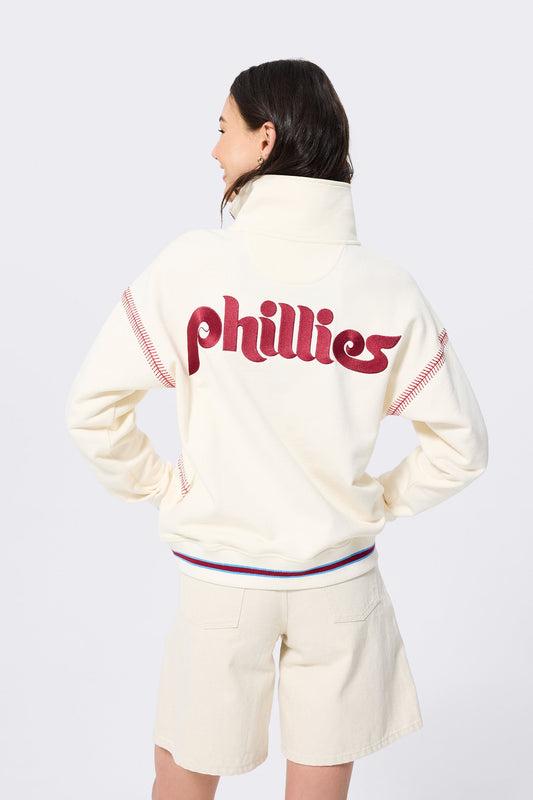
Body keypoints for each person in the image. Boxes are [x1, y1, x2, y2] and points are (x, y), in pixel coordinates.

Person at [65, 59, 488, 800]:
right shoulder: (388, 288)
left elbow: (93, 408)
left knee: (180, 779)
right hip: (340, 583)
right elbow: (463, 447)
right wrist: (372, 501)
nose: (213, 149)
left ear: (265, 140)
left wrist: (165, 488)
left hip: (223, 581)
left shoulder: (194, 265)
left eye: (223, 129)